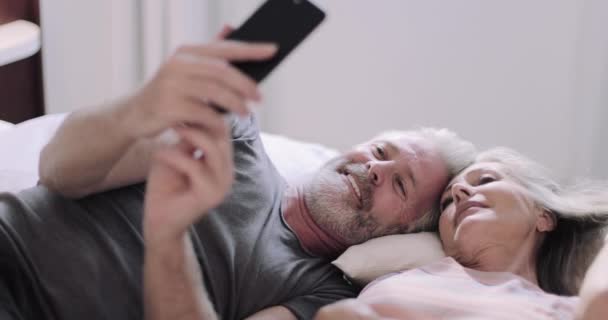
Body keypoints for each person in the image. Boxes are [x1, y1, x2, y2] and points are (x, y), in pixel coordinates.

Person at [0, 29, 477, 319]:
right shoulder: (233, 133)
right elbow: (58, 171)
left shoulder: (320, 296)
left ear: (405, 229)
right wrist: (141, 106)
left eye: (400, 183)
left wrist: (171, 238)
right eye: (379, 150)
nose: (375, 168)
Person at [314, 147, 608, 320]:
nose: (459, 191)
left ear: (544, 216)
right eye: (446, 203)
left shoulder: (568, 310)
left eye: (487, 180)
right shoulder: (402, 282)